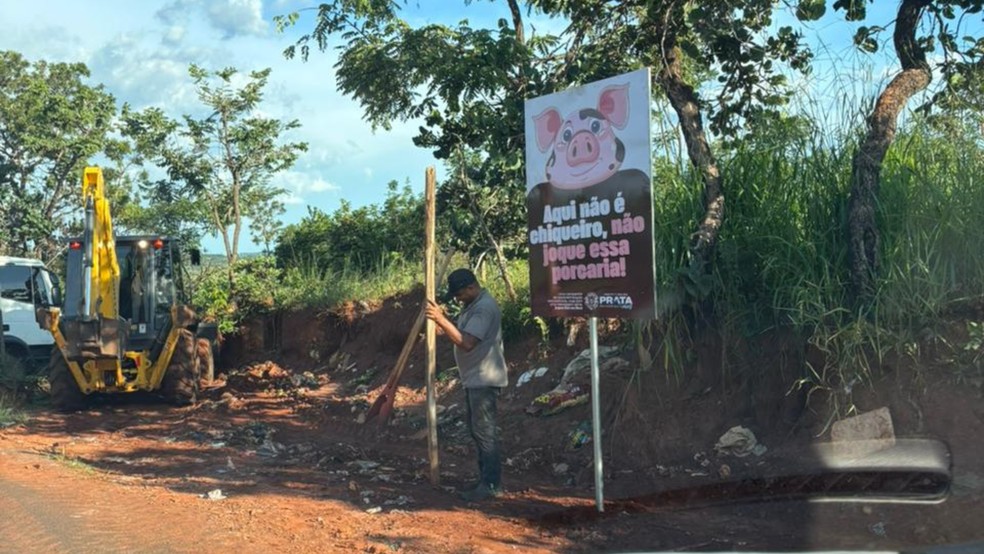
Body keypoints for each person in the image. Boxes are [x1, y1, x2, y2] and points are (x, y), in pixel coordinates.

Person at [424, 268, 508, 501]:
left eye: (460, 294)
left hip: (484, 378)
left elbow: (467, 342)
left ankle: (491, 485)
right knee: (478, 431)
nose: (458, 299)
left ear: (471, 287)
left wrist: (440, 319)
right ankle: (485, 480)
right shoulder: (472, 305)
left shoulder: (484, 308)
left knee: (484, 432)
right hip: (475, 378)